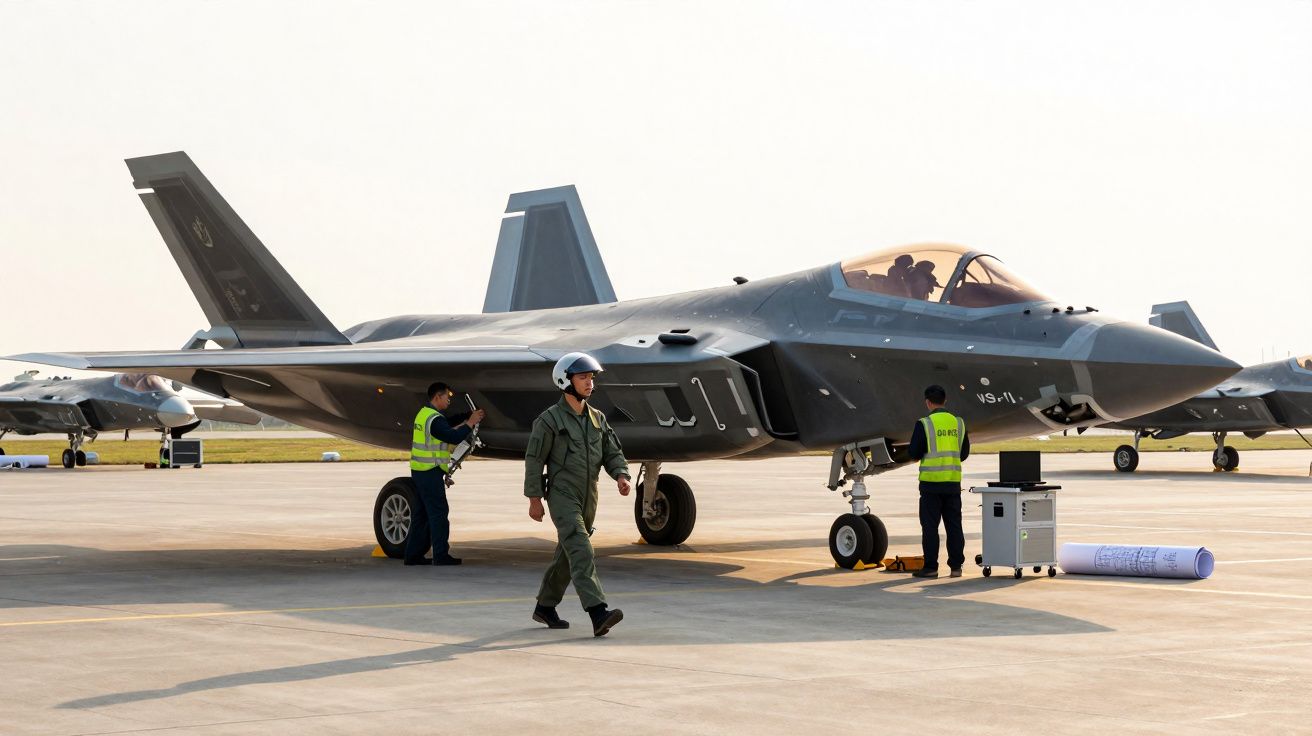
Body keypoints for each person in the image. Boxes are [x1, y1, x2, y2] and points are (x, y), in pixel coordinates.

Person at [523, 352, 632, 637]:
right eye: (583, 377)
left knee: (568, 554)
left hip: (589, 496)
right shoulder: (549, 421)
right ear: (565, 381)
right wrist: (534, 499)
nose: (589, 383)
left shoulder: (597, 419)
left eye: (591, 378)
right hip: (562, 494)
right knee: (582, 549)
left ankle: (545, 606)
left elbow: (612, 451)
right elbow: (535, 460)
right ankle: (598, 613)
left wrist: (621, 475)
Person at [404, 382, 485, 566]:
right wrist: (471, 422)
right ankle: (441, 555)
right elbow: (452, 436)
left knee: (421, 514)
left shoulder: (425, 414)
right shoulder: (434, 419)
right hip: (430, 472)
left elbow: (446, 424)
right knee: (438, 513)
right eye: (446, 397)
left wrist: (466, 416)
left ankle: (412, 556)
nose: (449, 400)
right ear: (437, 397)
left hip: (419, 471)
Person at [906, 384, 970, 579]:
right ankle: (956, 567)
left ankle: (931, 567)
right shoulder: (958, 423)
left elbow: (914, 453)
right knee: (954, 526)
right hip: (952, 484)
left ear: (927, 402)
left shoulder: (924, 424)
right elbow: (964, 453)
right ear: (945, 401)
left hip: (931, 485)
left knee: (930, 528)